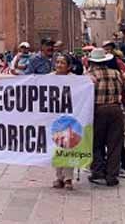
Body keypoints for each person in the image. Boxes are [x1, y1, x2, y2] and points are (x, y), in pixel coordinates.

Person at [87, 48, 125, 187]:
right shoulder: (116, 73)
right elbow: (124, 86)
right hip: (116, 109)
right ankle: (112, 175)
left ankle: (98, 171)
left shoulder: (90, 75)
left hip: (98, 110)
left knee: (96, 143)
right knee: (115, 144)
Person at [52, 54, 75, 190]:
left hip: (69, 119)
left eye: (62, 63)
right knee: (56, 148)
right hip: (54, 119)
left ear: (68, 66)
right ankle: (59, 177)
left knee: (68, 147)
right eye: (57, 62)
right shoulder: (49, 78)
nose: (59, 65)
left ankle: (68, 178)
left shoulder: (75, 80)